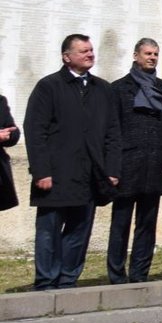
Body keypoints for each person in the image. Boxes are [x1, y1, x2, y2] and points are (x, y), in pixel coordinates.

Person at [24, 34, 121, 290]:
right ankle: (47, 281)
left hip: (89, 175)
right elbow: (36, 131)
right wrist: (41, 171)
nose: (90, 54)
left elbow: (113, 133)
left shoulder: (103, 89)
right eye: (83, 51)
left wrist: (111, 170)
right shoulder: (49, 86)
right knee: (49, 232)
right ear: (67, 57)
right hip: (55, 175)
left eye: (91, 50)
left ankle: (68, 280)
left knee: (79, 231)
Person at [107, 38, 162, 283]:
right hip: (127, 164)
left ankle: (139, 272)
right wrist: (112, 166)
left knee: (147, 223)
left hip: (154, 163)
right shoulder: (118, 88)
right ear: (135, 55)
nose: (152, 57)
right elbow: (112, 130)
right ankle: (116, 274)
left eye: (156, 54)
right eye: (147, 53)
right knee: (121, 222)